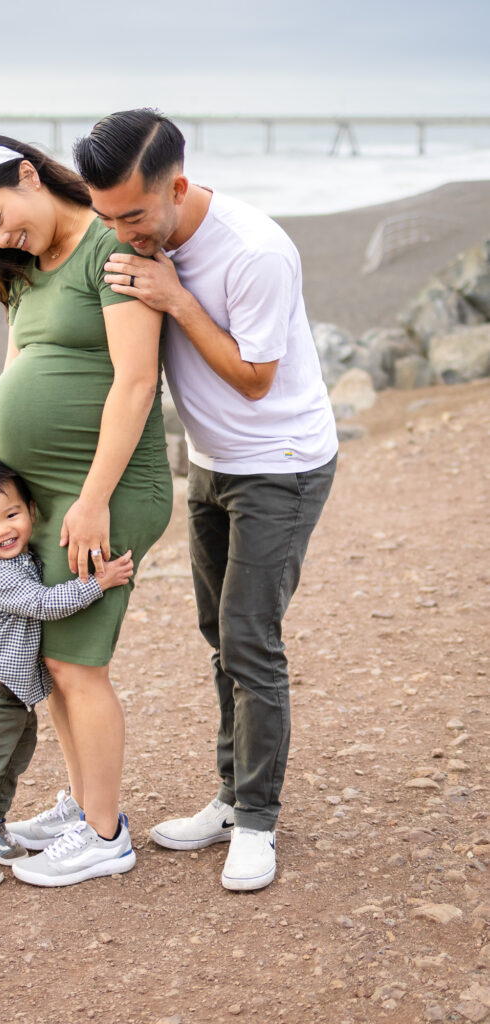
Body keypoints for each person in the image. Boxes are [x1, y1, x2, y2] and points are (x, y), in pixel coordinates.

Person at [73, 109, 338, 892]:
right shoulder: (135, 237)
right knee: (216, 633)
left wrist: (177, 298)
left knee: (251, 639)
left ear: (178, 187)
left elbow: (256, 378)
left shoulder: (256, 251)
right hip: (212, 465)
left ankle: (257, 820)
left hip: (281, 464)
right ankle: (230, 796)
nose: (117, 232)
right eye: (103, 215)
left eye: (131, 215)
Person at [0, 135, 172, 887]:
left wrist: (95, 499)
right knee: (54, 659)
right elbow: (15, 370)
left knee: (77, 665)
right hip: (39, 500)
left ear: (31, 175)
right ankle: (84, 804)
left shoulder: (108, 248)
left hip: (103, 491)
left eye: (1, 215)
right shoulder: (25, 273)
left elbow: (136, 383)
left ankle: (105, 834)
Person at [0, 453, 134, 889]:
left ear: (30, 513)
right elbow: (44, 604)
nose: (2, 530)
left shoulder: (19, 558)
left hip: (14, 695)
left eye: (11, 515)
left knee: (11, 763)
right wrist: (98, 582)